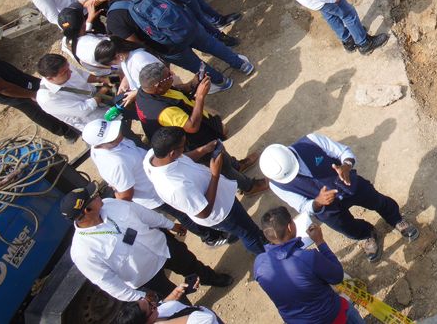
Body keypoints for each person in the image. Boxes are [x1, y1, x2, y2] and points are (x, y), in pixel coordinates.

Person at [259, 133, 418, 263]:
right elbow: (301, 205)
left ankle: (396, 219)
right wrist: (317, 202)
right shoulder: (276, 184)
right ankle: (367, 234)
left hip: (349, 184)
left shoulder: (311, 141)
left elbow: (344, 152)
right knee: (347, 228)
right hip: (327, 209)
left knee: (377, 201)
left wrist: (346, 166)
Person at [63, 181, 230, 303]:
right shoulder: (83, 251)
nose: (99, 195)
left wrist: (170, 225)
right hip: (146, 278)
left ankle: (212, 279)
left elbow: (143, 214)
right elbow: (107, 282)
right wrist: (140, 297)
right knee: (177, 303)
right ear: (87, 211)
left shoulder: (109, 204)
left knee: (191, 265)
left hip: (162, 246)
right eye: (94, 197)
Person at [83, 117, 231, 246]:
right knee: (185, 214)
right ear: (100, 144)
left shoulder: (110, 145)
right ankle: (210, 237)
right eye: (111, 136)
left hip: (155, 174)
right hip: (155, 193)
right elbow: (125, 196)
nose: (118, 134)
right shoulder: (115, 163)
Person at [94, 0, 251, 91]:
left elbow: (134, 43)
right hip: (186, 25)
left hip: (167, 47)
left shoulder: (114, 18)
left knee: (196, 65)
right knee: (212, 45)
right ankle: (242, 65)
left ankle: (222, 82)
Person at [135, 61, 265, 195]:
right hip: (192, 142)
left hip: (197, 132)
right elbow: (192, 126)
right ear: (158, 85)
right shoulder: (164, 111)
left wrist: (192, 84)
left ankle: (237, 166)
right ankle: (249, 187)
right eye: (168, 76)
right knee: (221, 166)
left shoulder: (147, 91)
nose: (172, 75)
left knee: (222, 154)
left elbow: (174, 91)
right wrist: (200, 97)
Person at [144, 127, 267, 256]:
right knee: (249, 233)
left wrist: (203, 150)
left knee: (248, 229)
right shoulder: (176, 187)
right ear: (172, 153)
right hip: (222, 212)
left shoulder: (153, 156)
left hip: (222, 196)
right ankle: (265, 254)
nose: (184, 148)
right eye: (183, 146)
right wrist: (215, 175)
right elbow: (204, 212)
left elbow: (182, 158)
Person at [253, 206, 363, 324]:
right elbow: (337, 276)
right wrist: (320, 242)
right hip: (331, 316)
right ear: (290, 227)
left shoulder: (259, 263)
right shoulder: (309, 258)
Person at [0, 52, 78, 138]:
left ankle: (68, 130)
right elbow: (1, 88)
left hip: (3, 84)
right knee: (36, 105)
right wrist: (32, 94)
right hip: (10, 87)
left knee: (31, 104)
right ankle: (69, 130)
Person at [35, 52, 108, 131]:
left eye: (68, 68)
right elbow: (84, 110)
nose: (70, 72)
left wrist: (101, 79)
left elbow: (83, 75)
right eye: (65, 73)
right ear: (50, 78)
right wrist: (104, 90)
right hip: (96, 120)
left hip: (99, 97)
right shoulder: (47, 99)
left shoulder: (64, 67)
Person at [58, 4, 116, 77]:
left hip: (101, 72)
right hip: (116, 69)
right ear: (83, 23)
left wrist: (90, 19)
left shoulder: (65, 41)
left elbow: (81, 36)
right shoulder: (97, 44)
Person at [111, 292, 225, 324]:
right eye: (151, 306)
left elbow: (162, 305)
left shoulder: (155, 314)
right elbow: (205, 318)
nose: (154, 304)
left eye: (147, 300)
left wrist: (175, 294)